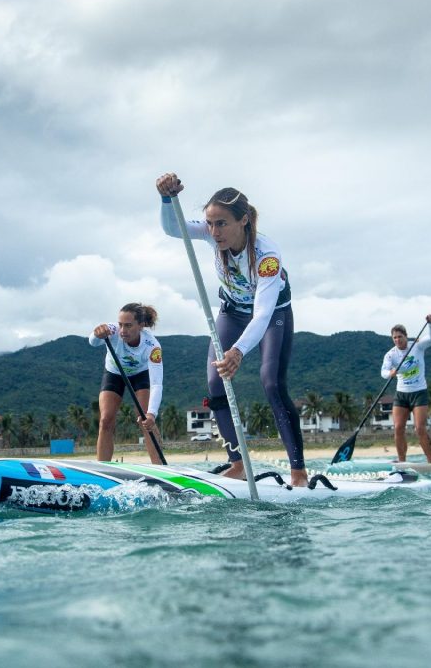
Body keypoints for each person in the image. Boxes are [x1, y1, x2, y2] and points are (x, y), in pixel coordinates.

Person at [156, 172, 308, 487]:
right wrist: (166, 198)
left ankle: (298, 473)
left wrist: (238, 350)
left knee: (271, 382)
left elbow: (263, 312)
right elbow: (174, 229)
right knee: (215, 380)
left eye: (221, 223)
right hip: (231, 312)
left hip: (271, 315)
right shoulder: (213, 235)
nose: (214, 231)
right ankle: (237, 463)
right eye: (209, 224)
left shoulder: (267, 255)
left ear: (243, 221)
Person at [89, 303, 165, 464]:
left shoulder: (152, 346)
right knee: (106, 420)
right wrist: (97, 334)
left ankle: (161, 468)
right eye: (121, 325)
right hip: (114, 373)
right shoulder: (112, 330)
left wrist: (152, 413)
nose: (123, 330)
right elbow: (93, 342)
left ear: (141, 325)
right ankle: (103, 467)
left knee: (145, 419)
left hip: (140, 375)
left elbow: (157, 383)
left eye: (129, 326)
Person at [380, 316, 431, 464]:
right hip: (401, 394)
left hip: (419, 393)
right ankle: (402, 462)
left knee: (420, 429)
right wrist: (390, 374)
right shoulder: (391, 354)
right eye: (394, 338)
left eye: (400, 337)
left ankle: (430, 461)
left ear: (406, 336)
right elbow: (383, 372)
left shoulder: (416, 346)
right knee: (398, 428)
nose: (397, 340)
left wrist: (430, 324)